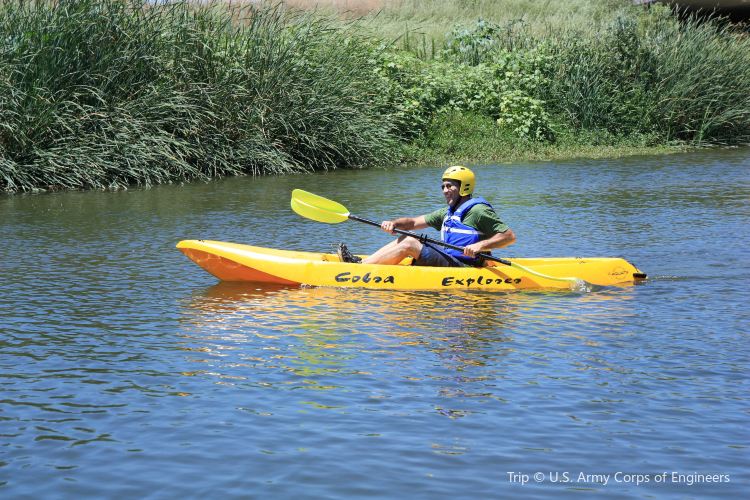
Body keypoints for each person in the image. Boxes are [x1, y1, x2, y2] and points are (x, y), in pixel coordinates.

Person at [337, 166, 516, 267]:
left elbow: (508, 237)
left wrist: (479, 246)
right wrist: (393, 223)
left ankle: (360, 268)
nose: (445, 191)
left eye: (450, 186)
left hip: (466, 267)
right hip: (451, 261)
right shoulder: (447, 213)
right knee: (407, 236)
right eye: (443, 187)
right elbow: (413, 222)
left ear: (464, 187)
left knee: (409, 242)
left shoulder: (478, 211)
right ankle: (363, 263)